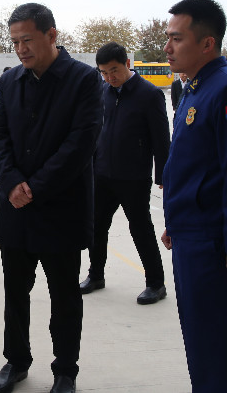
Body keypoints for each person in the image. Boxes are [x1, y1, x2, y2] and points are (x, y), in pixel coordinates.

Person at [0, 3, 102, 393]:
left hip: (61, 209)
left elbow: (81, 144)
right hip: (15, 209)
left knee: (64, 296)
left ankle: (65, 370)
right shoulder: (9, 81)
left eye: (27, 40)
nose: (20, 49)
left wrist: (34, 187)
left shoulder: (84, 80)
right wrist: (11, 182)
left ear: (52, 35)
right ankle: (16, 361)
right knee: (15, 294)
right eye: (15, 42)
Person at [160, 0, 227, 392]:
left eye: (176, 38)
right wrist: (175, 221)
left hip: (215, 241)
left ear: (207, 43)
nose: (167, 47)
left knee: (216, 341)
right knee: (200, 338)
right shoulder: (195, 87)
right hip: (191, 232)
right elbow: (190, 165)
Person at [79, 42, 169, 305]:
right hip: (102, 174)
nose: (110, 77)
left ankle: (156, 283)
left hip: (134, 176)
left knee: (141, 229)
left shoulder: (149, 94)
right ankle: (96, 275)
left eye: (114, 71)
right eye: (104, 72)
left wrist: (164, 176)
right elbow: (95, 131)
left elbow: (161, 139)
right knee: (96, 227)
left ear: (127, 63)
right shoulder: (103, 91)